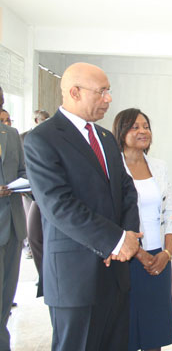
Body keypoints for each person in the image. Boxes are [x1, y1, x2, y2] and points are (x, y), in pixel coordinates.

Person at [23, 62, 141, 351]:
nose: (108, 99)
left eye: (108, 91)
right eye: (101, 92)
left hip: (116, 274)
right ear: (74, 92)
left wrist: (127, 238)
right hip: (75, 277)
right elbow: (58, 205)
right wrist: (113, 241)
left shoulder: (106, 138)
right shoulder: (42, 139)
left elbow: (126, 190)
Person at [113, 108, 172, 350]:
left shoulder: (159, 166)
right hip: (127, 259)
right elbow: (112, 217)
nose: (143, 131)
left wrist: (166, 254)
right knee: (126, 333)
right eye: (135, 127)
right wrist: (140, 254)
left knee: (155, 333)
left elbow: (171, 211)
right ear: (121, 132)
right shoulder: (113, 168)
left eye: (146, 126)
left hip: (159, 258)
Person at [0, 97, 27, 350]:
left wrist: (22, 183)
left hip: (14, 225)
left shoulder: (11, 134)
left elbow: (22, 171)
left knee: (6, 296)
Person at [20, 109, 51, 297]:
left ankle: (46, 275)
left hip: (45, 194)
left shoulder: (52, 139)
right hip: (28, 192)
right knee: (33, 235)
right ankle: (42, 275)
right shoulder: (23, 138)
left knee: (40, 235)